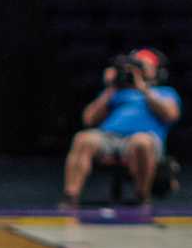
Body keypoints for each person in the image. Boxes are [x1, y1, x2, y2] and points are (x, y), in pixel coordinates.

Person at [61, 48, 181, 211]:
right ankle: (70, 197)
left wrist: (143, 89)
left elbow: (170, 115)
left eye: (144, 66)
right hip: (109, 137)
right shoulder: (116, 92)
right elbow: (88, 119)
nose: (138, 70)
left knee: (141, 142)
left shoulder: (165, 92)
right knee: (83, 138)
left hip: (144, 138)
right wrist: (111, 87)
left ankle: (142, 197)